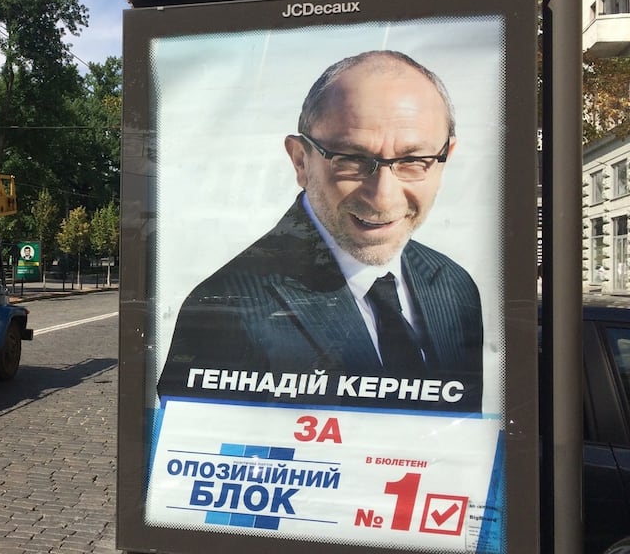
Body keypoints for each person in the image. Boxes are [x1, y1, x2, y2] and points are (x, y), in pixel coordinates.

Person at [157, 50, 483, 413]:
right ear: (300, 161)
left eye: (413, 161)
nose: (383, 197)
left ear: (445, 158)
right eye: (352, 160)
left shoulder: (455, 286)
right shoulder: (225, 312)